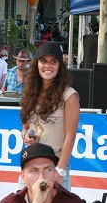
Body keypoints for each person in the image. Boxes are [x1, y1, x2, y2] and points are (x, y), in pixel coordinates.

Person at [20, 42, 79, 190]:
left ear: (60, 66)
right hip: (31, 165)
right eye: (43, 61)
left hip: (54, 167)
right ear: (36, 64)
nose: (48, 65)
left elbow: (70, 136)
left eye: (53, 61)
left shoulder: (69, 95)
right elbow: (26, 127)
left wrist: (60, 170)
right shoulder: (30, 93)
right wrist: (26, 136)